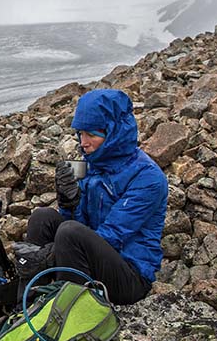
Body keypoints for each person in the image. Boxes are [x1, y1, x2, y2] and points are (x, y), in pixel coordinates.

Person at [25, 88, 167, 305]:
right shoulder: (89, 165)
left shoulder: (147, 177)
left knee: (69, 232)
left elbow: (112, 235)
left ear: (114, 133)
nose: (83, 142)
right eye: (80, 134)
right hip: (91, 259)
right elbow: (79, 227)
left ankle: (68, 312)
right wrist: (68, 203)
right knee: (42, 217)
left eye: (91, 135)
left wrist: (49, 255)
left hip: (129, 275)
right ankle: (29, 300)